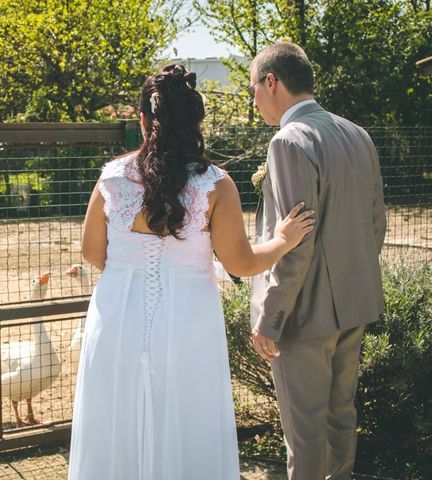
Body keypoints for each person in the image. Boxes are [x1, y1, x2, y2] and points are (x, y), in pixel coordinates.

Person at [68, 64, 314, 480]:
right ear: (197, 121)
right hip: (187, 317)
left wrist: (132, 268)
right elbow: (242, 263)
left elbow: (93, 252)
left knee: (116, 416)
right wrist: (284, 240)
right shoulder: (216, 184)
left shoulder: (111, 177)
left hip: (117, 315)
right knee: (185, 416)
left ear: (145, 120)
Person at [248, 42, 386, 480]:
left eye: (254, 89)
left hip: (303, 316)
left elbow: (295, 244)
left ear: (272, 82)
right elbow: (376, 225)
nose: (254, 102)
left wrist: (270, 317)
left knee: (304, 434)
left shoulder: (289, 142)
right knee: (341, 417)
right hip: (354, 306)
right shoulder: (357, 133)